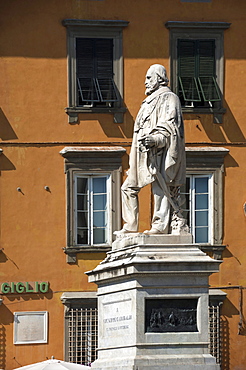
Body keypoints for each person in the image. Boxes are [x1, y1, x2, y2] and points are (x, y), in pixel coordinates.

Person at [116, 64, 186, 235]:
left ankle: (160, 226)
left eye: (149, 78)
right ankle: (131, 225)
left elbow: (172, 126)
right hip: (141, 151)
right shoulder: (148, 101)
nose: (145, 82)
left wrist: (156, 139)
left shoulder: (170, 98)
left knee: (160, 186)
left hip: (159, 150)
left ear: (159, 78)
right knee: (128, 187)